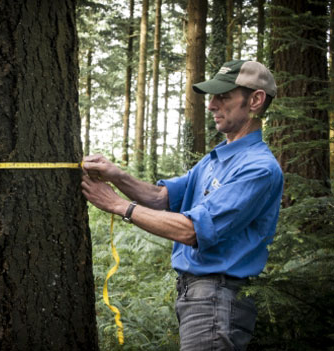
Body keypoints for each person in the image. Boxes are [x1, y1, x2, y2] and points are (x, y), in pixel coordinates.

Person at [81, 60, 283, 350]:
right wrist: (117, 175)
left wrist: (118, 205)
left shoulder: (258, 168)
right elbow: (161, 198)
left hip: (218, 296)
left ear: (255, 100)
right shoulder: (218, 157)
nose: (212, 105)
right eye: (212, 97)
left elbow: (192, 230)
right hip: (199, 295)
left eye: (223, 96)